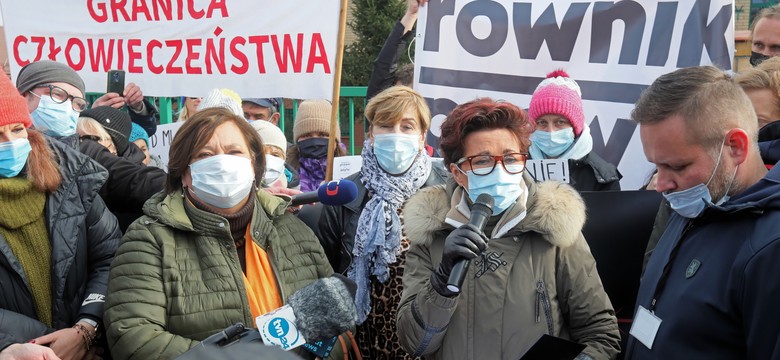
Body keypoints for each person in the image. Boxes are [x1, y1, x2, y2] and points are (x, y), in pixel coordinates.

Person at [103, 107, 343, 360]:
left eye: (234, 152)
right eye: (205, 155)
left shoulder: (293, 230)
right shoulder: (149, 238)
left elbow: (335, 324)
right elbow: (134, 338)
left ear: (253, 166)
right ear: (184, 174)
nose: (222, 163)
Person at [396, 98, 621, 359]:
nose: (500, 170)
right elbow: (415, 343)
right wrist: (441, 283)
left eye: (511, 158)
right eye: (482, 161)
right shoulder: (431, 234)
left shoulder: (557, 230)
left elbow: (601, 334)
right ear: (457, 173)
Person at [623, 65, 780, 359]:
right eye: (656, 166)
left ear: (735, 147)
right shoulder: (695, 199)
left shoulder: (771, 247)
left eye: (677, 166)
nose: (662, 185)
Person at [318, 86, 448, 359]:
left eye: (407, 126)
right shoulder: (345, 195)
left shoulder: (446, 192)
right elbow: (327, 271)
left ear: (422, 135)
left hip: (425, 341)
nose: (396, 134)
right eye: (385, 126)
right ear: (371, 135)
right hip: (361, 343)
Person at [0, 70, 121, 359]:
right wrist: (27, 344)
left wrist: (86, 328)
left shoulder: (71, 179)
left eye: (17, 130)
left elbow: (111, 256)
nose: (9, 141)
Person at [76, 106, 167, 233]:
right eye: (77, 138)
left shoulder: (133, 177)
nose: (80, 145)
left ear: (114, 145)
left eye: (90, 140)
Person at [528, 70, 621, 191]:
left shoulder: (603, 178)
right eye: (542, 122)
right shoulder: (516, 165)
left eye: (560, 122)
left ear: (575, 127)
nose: (551, 131)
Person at [365, 0, 426, 101]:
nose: (402, 107)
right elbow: (383, 67)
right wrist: (411, 14)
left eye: (411, 99)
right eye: (398, 97)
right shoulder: (382, 110)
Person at [286, 99, 346, 192]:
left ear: (335, 140)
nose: (314, 141)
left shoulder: (348, 171)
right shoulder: (287, 174)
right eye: (307, 135)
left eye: (322, 134)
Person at [251, 119, 299, 189]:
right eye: (260, 153)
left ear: (284, 159)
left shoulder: (296, 193)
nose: (267, 159)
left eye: (275, 155)